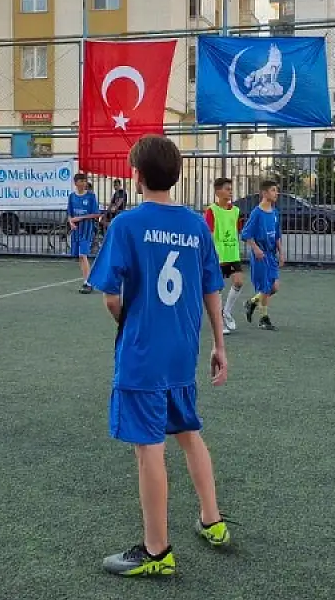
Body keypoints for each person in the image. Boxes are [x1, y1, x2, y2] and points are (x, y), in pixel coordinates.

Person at [88, 135, 230, 577]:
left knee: (148, 448)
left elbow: (111, 296)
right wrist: (219, 344)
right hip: (182, 351)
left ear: (137, 176)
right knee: (188, 432)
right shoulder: (195, 225)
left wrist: (127, 321)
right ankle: (212, 521)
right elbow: (211, 287)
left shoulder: (127, 225)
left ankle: (156, 551)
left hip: (143, 354)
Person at [203, 177, 245, 333]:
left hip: (232, 253)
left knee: (239, 282)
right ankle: (219, 320)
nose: (230, 191)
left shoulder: (235, 211)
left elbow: (237, 230)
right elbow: (209, 233)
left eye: (231, 189)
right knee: (217, 289)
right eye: (227, 189)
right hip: (218, 255)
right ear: (218, 192)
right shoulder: (211, 211)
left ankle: (226, 312)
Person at [241, 180, 283, 330]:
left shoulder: (275, 213)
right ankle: (263, 319)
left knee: (275, 287)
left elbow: (277, 235)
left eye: (276, 190)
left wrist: (281, 253)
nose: (276, 193)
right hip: (261, 255)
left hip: (271, 255)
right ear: (264, 193)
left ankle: (252, 302)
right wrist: (256, 249)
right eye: (273, 190)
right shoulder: (257, 213)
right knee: (265, 287)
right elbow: (246, 234)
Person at [67, 172, 100, 293]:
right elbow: (70, 214)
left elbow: (96, 214)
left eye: (85, 181)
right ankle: (86, 280)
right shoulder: (72, 197)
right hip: (76, 230)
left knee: (83, 255)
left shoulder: (91, 196)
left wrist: (80, 218)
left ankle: (89, 282)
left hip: (86, 230)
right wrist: (71, 222)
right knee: (80, 257)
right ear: (76, 183)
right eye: (81, 181)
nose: (83, 183)